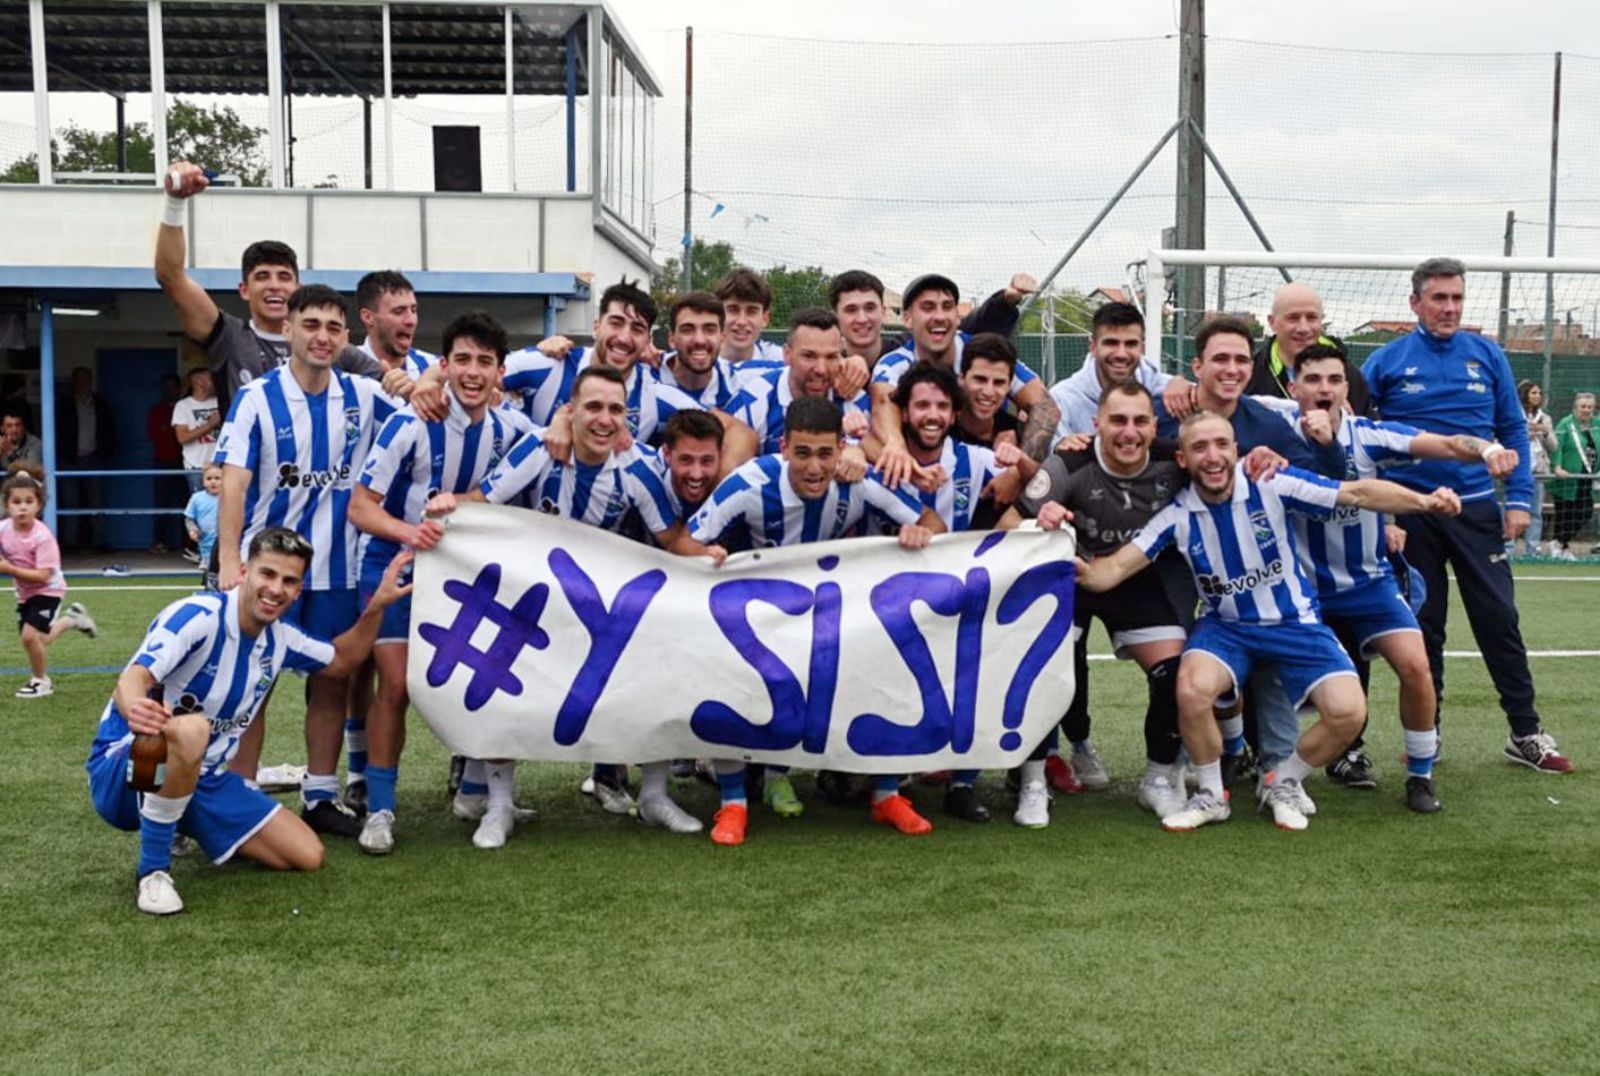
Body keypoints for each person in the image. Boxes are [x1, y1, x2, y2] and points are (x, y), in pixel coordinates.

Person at [1076, 411, 1462, 832]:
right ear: (1183, 459)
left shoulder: (1271, 483)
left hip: (1296, 623)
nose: (1212, 456)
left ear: (1235, 450)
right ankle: (1211, 795)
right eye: (1199, 447)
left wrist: (1424, 502)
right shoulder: (1177, 516)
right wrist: (1064, 556)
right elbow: (1110, 571)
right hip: (1227, 629)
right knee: (1190, 688)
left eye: (1221, 444)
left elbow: (1358, 493)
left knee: (1349, 713)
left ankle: (1284, 781)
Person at [85, 527, 411, 915]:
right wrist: (135, 707)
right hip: (131, 769)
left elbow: (342, 660)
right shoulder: (197, 615)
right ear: (244, 572)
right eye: (267, 574)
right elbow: (134, 677)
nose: (276, 589)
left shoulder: (282, 638)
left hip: (200, 776)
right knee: (192, 729)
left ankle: (186, 820)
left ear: (299, 590)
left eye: (289, 581)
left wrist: (376, 609)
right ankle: (153, 872)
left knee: (307, 854)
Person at [675, 395, 945, 845]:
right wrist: (704, 553)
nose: (815, 467)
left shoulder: (858, 480)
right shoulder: (749, 483)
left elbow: (932, 520)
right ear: (783, 448)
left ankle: (885, 794)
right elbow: (685, 541)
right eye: (802, 453)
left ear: (842, 449)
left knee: (892, 661)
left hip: (833, 620)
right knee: (729, 677)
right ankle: (734, 804)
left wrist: (923, 533)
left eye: (825, 453)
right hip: (760, 618)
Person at [436, 366, 693, 835]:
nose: (604, 419)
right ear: (570, 411)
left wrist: (723, 561)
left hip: (601, 611)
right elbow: (484, 501)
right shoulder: (540, 449)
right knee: (501, 681)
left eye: (615, 409)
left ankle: (654, 795)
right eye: (593, 407)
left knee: (660, 665)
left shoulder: (635, 469)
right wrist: (444, 508)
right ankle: (497, 805)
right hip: (535, 600)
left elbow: (672, 538)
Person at [1362, 258, 1572, 773]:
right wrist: (1382, 514)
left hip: (1478, 511)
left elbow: (1513, 429)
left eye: (1456, 298)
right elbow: (1361, 440)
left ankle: (1525, 731)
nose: (1449, 308)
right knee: (1425, 627)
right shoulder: (1385, 362)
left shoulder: (1487, 355)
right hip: (1412, 515)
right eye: (1439, 298)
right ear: (1415, 303)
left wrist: (1519, 497)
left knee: (1499, 619)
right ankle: (1427, 736)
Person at [1289, 346, 1520, 810]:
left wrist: (1490, 448)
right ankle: (1258, 761)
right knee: (1272, 680)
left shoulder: (1370, 436)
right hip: (1303, 590)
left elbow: (1449, 444)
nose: (1324, 389)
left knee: (1416, 668)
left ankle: (1419, 773)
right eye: (1312, 379)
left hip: (1369, 584)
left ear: (1346, 389)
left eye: (1334, 380)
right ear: (1294, 388)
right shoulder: (1275, 434)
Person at [212, 284, 399, 836]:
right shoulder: (256, 398)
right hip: (269, 573)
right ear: (288, 329)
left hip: (338, 570)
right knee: (252, 685)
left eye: (332, 328)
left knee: (332, 683)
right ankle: (240, 799)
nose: (321, 337)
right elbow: (235, 483)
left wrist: (418, 380)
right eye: (310, 324)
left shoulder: (363, 396)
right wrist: (230, 562)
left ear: (345, 337)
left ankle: (320, 794)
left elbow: (424, 414)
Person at [348, 311, 538, 854]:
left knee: (484, 677)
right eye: (462, 361)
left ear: (500, 371)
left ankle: (476, 792)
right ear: (445, 365)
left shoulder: (508, 429)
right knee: (397, 688)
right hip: (396, 565)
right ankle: (381, 809)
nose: (473, 372)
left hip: (467, 570)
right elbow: (362, 509)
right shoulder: (410, 423)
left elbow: (551, 442)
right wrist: (414, 534)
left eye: (484, 362)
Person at [999, 383, 1193, 827]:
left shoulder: (1174, 459)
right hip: (1070, 578)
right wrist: (1038, 523)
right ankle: (1032, 780)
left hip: (1136, 578)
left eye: (1140, 421)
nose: (1129, 432)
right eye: (1118, 421)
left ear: (1154, 425)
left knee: (1176, 675)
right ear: (1096, 425)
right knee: (1042, 664)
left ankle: (1158, 780)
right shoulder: (1070, 461)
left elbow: (1223, 469)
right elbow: (1009, 519)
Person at [879, 361, 1020, 822]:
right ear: (904, 413)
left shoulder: (973, 460)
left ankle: (963, 783)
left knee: (978, 676)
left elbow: (1027, 487)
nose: (932, 414)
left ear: (955, 414)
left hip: (958, 602)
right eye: (921, 405)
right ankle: (886, 781)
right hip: (889, 603)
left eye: (942, 405)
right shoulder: (879, 458)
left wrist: (1023, 483)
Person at [154, 161, 383, 415]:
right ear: (244, 290)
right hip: (246, 455)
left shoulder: (327, 344)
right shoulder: (229, 338)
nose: (274, 286)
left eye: (284, 277)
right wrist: (174, 203)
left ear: (298, 289)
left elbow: (396, 382)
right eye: (262, 276)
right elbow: (171, 277)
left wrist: (423, 381)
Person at [870, 274, 1061, 481]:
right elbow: (883, 402)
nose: (940, 316)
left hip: (987, 465)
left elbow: (1046, 407)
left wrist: (1016, 469)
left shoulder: (983, 352)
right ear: (907, 318)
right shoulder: (895, 363)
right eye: (928, 307)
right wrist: (895, 445)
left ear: (958, 316)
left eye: (947, 306)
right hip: (926, 471)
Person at [1, 464, 97, 698]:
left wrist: (8, 567)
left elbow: (43, 576)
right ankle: (72, 619)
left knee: (29, 637)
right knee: (40, 639)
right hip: (24, 593)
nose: (22, 507)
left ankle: (41, 681)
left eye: (28, 501)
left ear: (39, 505)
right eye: (16, 502)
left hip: (48, 590)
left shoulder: (42, 537)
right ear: (6, 505)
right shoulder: (3, 529)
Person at [726, 307, 873, 456]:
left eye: (831, 357)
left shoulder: (854, 401)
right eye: (809, 356)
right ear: (787, 354)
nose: (821, 369)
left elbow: (886, 459)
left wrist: (857, 448)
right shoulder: (753, 402)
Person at [1049, 301, 1186, 438]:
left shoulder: (1167, 388)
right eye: (1111, 343)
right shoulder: (1062, 399)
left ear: (1142, 349)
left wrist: (1183, 384)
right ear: (1093, 348)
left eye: (1131, 344)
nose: (1121, 354)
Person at [1244, 282, 1370, 413]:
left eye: (1311, 318)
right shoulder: (1252, 375)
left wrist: (1348, 423)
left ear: (1321, 321)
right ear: (1272, 322)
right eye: (1293, 318)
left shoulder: (1349, 374)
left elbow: (1368, 426)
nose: (1303, 328)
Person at [54, 365, 115, 552]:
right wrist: (62, 453)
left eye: (86, 379)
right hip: (69, 459)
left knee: (96, 500)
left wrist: (106, 451)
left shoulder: (100, 402)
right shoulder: (64, 403)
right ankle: (70, 544)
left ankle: (99, 543)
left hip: (93, 457)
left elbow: (109, 428)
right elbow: (56, 430)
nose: (82, 383)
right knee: (69, 501)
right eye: (79, 380)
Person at [356, 270, 435, 378]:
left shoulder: (434, 369)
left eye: (413, 310)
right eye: (399, 311)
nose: (410, 321)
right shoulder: (343, 371)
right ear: (368, 317)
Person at [1549, 391, 1597, 561]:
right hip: (1567, 477)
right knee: (1565, 513)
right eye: (1583, 406)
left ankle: (1560, 543)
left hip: (1587, 477)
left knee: (1585, 512)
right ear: (1575, 408)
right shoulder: (1566, 423)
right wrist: (1557, 466)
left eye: (1590, 407)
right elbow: (1557, 446)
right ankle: (1562, 546)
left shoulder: (1597, 424)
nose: (1586, 410)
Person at [147, 373, 188, 554]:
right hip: (163, 460)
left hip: (184, 460)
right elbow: (154, 434)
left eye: (173, 387)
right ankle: (160, 541)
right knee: (161, 502)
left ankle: (186, 543)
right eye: (167, 387)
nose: (170, 391)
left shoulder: (186, 407)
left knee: (187, 504)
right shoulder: (158, 410)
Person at [714, 268, 788, 364]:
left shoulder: (782, 361)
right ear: (717, 315)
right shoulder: (698, 364)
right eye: (733, 310)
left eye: (751, 312)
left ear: (765, 319)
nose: (742, 322)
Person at [1519, 380, 1557, 556]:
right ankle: (1508, 548)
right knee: (1511, 508)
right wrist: (1526, 432)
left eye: (1539, 393)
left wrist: (1545, 432)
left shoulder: (1545, 417)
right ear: (1525, 394)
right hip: (1517, 470)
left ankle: (1532, 550)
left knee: (1535, 512)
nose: (1537, 396)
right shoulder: (1514, 414)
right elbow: (1507, 439)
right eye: (1533, 393)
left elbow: (1553, 447)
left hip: (1538, 472)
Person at [171, 368, 222, 492]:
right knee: (202, 507)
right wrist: (210, 425)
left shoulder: (219, 401)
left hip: (220, 464)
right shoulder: (183, 406)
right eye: (211, 379)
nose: (215, 382)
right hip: (196, 467)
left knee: (223, 507)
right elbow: (182, 438)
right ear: (200, 382)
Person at [183, 463, 223, 592]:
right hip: (206, 543)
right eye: (209, 478)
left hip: (226, 543)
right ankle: (209, 589)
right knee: (210, 571)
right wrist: (192, 529)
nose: (213, 482)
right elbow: (189, 518)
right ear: (203, 481)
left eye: (217, 478)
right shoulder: (197, 498)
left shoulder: (230, 497)